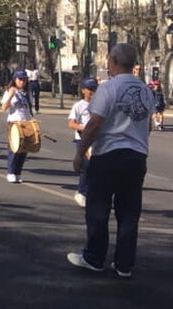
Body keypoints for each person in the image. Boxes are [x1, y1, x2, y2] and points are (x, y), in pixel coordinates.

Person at [67, 43, 152, 278]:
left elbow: (94, 123)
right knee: (128, 212)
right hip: (136, 156)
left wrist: (79, 151)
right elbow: (148, 126)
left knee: (98, 208)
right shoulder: (146, 90)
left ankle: (94, 257)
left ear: (112, 61)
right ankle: (124, 265)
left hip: (109, 155)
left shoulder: (109, 88)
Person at [68, 78, 98, 207]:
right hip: (83, 139)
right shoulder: (79, 106)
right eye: (90, 89)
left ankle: (91, 193)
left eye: (95, 89)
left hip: (96, 139)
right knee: (86, 166)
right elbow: (71, 123)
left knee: (96, 167)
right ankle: (81, 192)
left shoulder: (99, 105)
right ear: (83, 90)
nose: (93, 92)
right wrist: (85, 128)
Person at [0, 69, 33, 183]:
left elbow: (29, 109)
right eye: (20, 79)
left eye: (24, 79)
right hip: (14, 122)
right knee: (14, 148)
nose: (22, 82)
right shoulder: (9, 91)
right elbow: (4, 108)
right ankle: (11, 172)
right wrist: (11, 94)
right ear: (15, 80)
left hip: (26, 123)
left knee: (24, 149)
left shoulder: (27, 93)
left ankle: (18, 172)